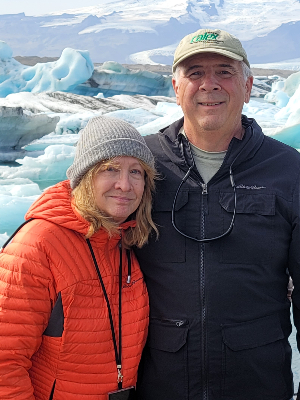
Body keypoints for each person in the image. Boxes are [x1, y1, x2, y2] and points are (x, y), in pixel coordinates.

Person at [135, 28, 300, 400]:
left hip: (257, 381)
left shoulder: (288, 170)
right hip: (158, 381)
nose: (209, 84)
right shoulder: (141, 165)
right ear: (176, 88)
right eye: (195, 73)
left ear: (248, 85)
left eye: (224, 71)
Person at [0, 115, 157, 399]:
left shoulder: (126, 242)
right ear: (85, 176)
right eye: (110, 169)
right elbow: (4, 362)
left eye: (136, 172)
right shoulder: (38, 245)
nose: (124, 184)